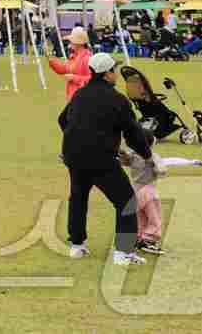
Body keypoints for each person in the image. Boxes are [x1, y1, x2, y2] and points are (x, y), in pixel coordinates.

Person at [58, 52, 152, 265]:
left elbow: (63, 120)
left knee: (78, 198)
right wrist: (147, 155)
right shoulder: (117, 100)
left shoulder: (80, 95)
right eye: (114, 70)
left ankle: (77, 246)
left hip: (74, 156)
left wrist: (76, 139)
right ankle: (123, 253)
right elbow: (133, 133)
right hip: (100, 159)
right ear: (107, 73)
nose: (115, 74)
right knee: (127, 201)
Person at [119, 133, 165, 256]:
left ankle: (138, 237)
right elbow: (162, 171)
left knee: (139, 216)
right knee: (154, 217)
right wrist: (155, 164)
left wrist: (123, 155)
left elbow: (124, 161)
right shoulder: (153, 156)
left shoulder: (133, 156)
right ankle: (149, 240)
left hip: (134, 190)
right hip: (149, 191)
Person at [48, 27, 92, 100]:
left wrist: (74, 78)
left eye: (71, 40)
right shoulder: (74, 56)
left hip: (83, 99)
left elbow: (92, 81)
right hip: (73, 97)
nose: (70, 42)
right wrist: (51, 60)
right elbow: (63, 69)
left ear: (78, 43)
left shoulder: (87, 58)